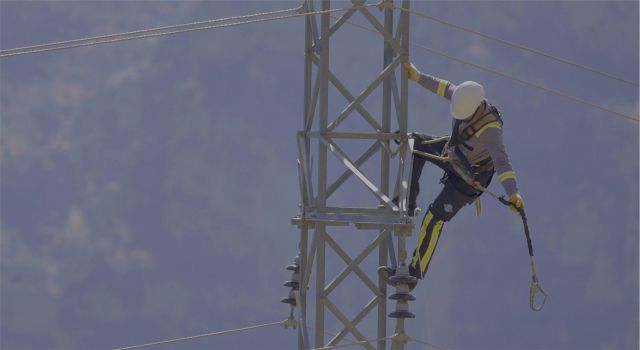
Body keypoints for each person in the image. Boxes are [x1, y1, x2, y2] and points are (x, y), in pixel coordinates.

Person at [379, 63, 525, 289]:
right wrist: (418, 76)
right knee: (414, 143)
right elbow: (443, 87)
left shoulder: (491, 130)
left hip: (467, 181)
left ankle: (413, 273)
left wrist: (513, 194)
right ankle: (405, 204)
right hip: (453, 154)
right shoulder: (464, 98)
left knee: (434, 218)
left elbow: (502, 162)